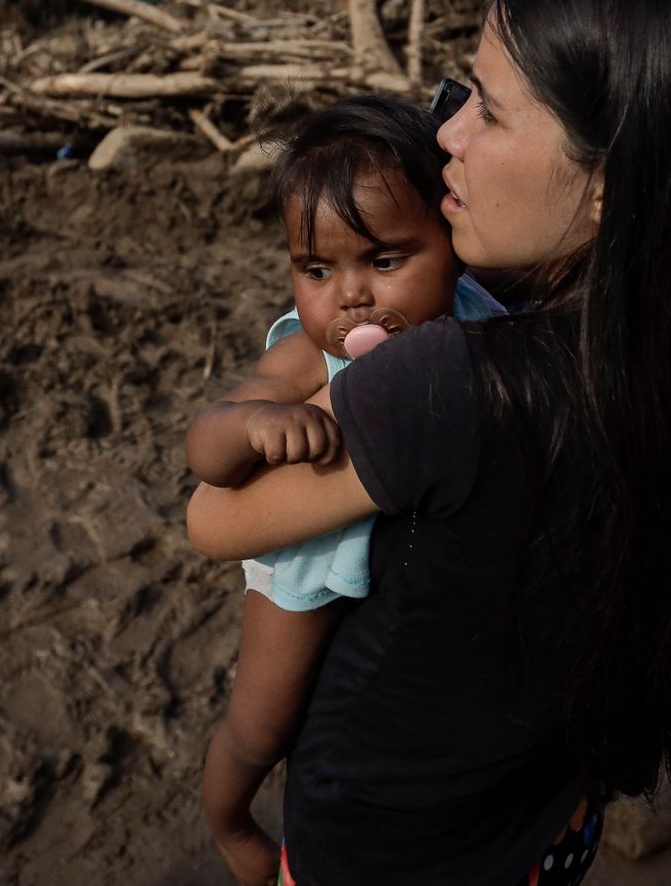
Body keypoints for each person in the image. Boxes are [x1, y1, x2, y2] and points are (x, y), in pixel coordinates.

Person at [187, 0, 671, 884]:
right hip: (544, 826)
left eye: (487, 109)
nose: (445, 133)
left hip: (386, 846)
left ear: (614, 179)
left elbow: (214, 518)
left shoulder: (451, 383)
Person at [185, 96, 503, 884]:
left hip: (397, 583)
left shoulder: (476, 318)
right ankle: (228, 820)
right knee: (264, 722)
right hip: (306, 566)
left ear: (451, 243)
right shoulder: (304, 355)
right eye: (316, 270)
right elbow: (206, 444)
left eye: (384, 261)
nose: (350, 297)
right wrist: (257, 424)